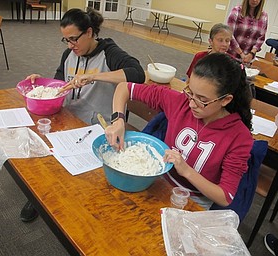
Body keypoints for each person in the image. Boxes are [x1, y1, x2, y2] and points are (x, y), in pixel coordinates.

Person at [21, 7, 145, 222]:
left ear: (89, 32)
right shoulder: (69, 54)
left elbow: (137, 74)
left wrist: (95, 77)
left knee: (76, 170)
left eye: (74, 39)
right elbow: (60, 83)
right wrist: (41, 85)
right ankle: (39, 197)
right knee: (41, 145)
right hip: (68, 117)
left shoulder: (109, 52)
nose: (70, 45)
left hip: (96, 125)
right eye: (66, 40)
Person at [105, 53, 253, 209]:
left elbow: (225, 197)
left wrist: (186, 170)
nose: (191, 104)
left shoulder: (239, 137)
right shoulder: (180, 102)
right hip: (156, 184)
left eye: (202, 100)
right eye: (190, 92)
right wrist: (118, 120)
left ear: (225, 100)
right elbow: (124, 88)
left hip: (191, 202)